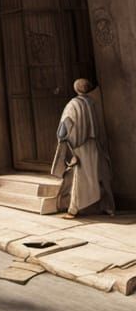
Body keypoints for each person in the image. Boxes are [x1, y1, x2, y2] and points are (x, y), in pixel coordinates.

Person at [51, 79, 114, 218]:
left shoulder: (73, 104)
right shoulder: (93, 103)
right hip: (94, 144)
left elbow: (65, 126)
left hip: (79, 147)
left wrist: (61, 138)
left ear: (76, 89)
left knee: (79, 178)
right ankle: (105, 207)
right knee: (96, 176)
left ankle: (73, 210)